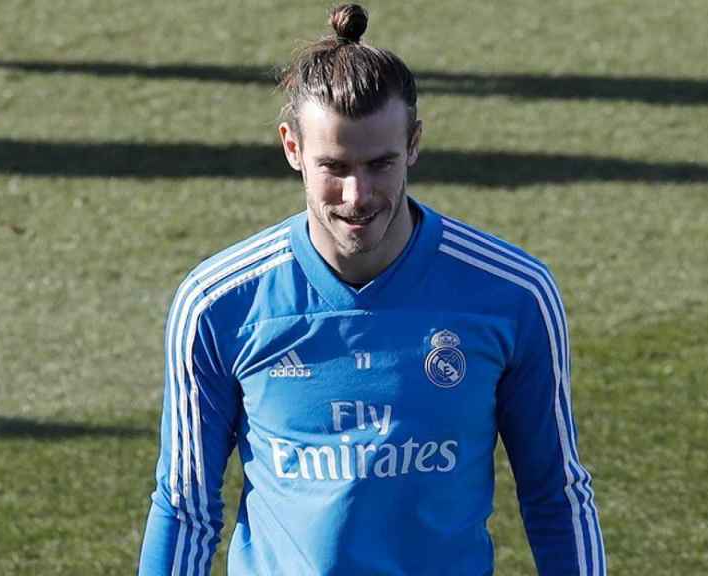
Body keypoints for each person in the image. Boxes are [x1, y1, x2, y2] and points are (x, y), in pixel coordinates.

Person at [138, 4, 605, 574]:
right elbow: (185, 509)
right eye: (334, 166)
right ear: (292, 149)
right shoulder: (219, 304)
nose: (357, 195)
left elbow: (556, 494)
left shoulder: (511, 294)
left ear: (413, 144)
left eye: (380, 163)